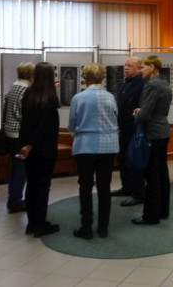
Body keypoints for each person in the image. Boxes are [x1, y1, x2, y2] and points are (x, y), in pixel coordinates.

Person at [68, 63, 119, 239]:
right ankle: (103, 228)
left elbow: (72, 124)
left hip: (85, 146)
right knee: (104, 187)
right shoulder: (110, 97)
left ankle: (86, 226)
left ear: (85, 77)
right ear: (102, 78)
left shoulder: (78, 98)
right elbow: (115, 119)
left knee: (85, 186)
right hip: (108, 146)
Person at [18, 62, 61, 238]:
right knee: (43, 187)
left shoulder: (28, 93)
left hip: (29, 149)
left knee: (32, 184)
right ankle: (40, 224)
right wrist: (31, 144)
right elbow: (44, 127)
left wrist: (26, 145)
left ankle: (32, 222)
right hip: (45, 148)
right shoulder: (50, 97)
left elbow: (25, 123)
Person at [131, 55, 172, 225]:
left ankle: (150, 216)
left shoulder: (152, 85)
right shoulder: (165, 83)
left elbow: (145, 113)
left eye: (143, 67)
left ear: (152, 67)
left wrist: (137, 114)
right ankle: (163, 211)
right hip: (163, 131)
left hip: (152, 134)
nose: (141, 71)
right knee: (162, 173)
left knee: (152, 175)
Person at [111, 56, 146, 207]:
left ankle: (138, 193)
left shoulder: (142, 85)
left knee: (133, 161)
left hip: (135, 129)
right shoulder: (126, 83)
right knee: (123, 159)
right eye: (125, 65)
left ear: (139, 68)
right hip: (123, 128)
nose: (126, 68)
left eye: (130, 66)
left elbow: (141, 108)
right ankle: (126, 188)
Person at [2, 62, 34, 214]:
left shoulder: (13, 86)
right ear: (30, 75)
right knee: (21, 169)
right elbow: (25, 115)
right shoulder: (27, 90)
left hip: (9, 133)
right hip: (19, 135)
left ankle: (13, 198)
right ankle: (15, 201)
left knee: (15, 168)